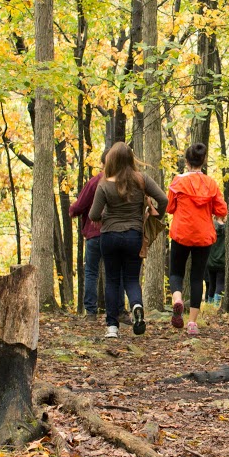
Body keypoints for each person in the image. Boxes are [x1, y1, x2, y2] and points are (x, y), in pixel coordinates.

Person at [87, 142, 166, 339]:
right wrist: (155, 217)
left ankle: (112, 327)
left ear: (111, 160)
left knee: (112, 280)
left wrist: (105, 216)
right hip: (134, 235)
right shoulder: (142, 180)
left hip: (109, 237)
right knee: (131, 279)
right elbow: (163, 199)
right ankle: (137, 306)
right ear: (131, 159)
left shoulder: (104, 184)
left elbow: (93, 214)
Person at [166, 142, 228, 335]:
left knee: (176, 271)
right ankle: (192, 323)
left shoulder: (178, 182)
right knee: (197, 277)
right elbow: (222, 210)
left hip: (181, 233)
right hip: (203, 235)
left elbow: (169, 208)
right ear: (203, 161)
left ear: (186, 161)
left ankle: (177, 299)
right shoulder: (211, 184)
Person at [67, 172, 103, 317]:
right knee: (114, 273)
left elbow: (79, 206)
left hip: (94, 234)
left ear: (102, 163)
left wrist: (72, 210)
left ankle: (91, 311)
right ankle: (118, 310)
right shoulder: (122, 180)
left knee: (91, 272)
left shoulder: (95, 182)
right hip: (114, 234)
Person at [205, 218, 226, 304]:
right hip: (222, 261)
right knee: (220, 284)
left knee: (212, 284)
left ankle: (209, 304)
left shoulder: (210, 226)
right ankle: (216, 305)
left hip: (210, 262)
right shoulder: (227, 228)